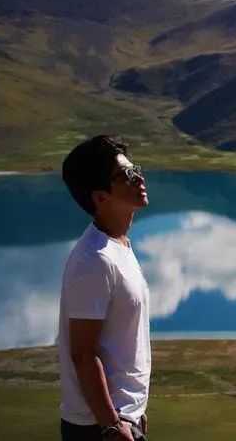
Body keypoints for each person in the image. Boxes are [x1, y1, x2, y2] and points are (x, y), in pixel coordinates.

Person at [58, 135, 151, 440]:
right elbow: (83, 354)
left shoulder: (119, 245)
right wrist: (112, 424)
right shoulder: (94, 260)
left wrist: (135, 411)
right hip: (98, 428)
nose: (138, 177)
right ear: (100, 197)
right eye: (126, 174)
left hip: (122, 419)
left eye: (134, 168)